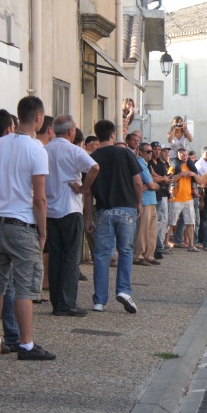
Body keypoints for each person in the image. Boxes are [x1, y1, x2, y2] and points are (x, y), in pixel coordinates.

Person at [0, 96, 55, 360]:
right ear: (38, 117)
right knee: (25, 286)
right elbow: (39, 198)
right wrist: (42, 231)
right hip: (21, 224)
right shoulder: (37, 149)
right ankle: (26, 344)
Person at [44, 114, 100, 316]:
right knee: (71, 257)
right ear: (70, 131)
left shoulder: (46, 149)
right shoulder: (74, 150)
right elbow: (94, 167)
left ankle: (56, 302)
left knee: (56, 256)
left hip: (50, 209)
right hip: (69, 208)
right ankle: (67, 303)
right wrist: (84, 188)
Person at [86, 120, 143, 313]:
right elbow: (137, 181)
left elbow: (88, 191)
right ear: (112, 135)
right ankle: (124, 290)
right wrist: (139, 203)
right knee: (126, 251)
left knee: (101, 254)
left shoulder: (92, 158)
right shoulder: (125, 153)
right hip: (126, 207)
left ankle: (99, 300)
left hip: (104, 210)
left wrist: (88, 218)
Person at [167, 147, 199, 252]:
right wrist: (180, 174)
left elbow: (199, 181)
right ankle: (165, 242)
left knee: (191, 222)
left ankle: (191, 244)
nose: (184, 156)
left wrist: (193, 174)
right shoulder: (174, 166)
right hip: (176, 198)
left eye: (186, 155)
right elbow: (170, 179)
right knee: (172, 222)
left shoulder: (191, 167)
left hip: (188, 198)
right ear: (178, 155)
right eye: (182, 155)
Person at [133, 142, 160, 265]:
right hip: (144, 200)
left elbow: (152, 184)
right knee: (142, 230)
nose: (151, 153)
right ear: (141, 152)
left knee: (152, 230)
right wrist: (156, 185)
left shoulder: (146, 164)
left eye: (151, 151)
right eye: (148, 151)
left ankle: (149, 254)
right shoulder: (139, 162)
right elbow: (150, 184)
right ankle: (139, 255)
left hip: (151, 199)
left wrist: (155, 185)